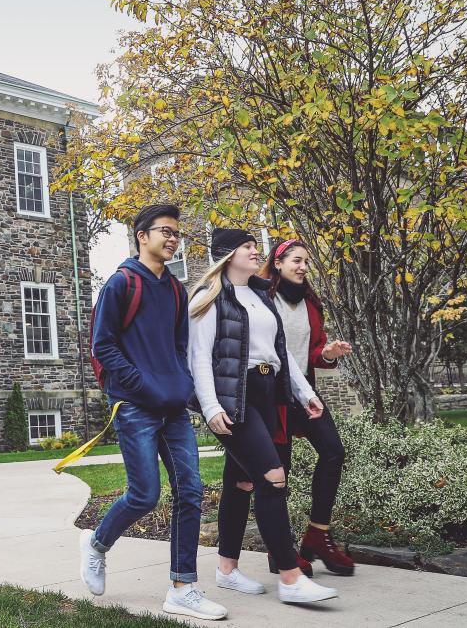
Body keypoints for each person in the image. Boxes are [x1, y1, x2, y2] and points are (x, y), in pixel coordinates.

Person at [81, 204, 228, 621]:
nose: (173, 238)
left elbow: (180, 347)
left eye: (176, 233)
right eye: (165, 231)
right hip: (135, 407)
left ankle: (183, 586)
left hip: (174, 407)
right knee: (144, 495)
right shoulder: (122, 284)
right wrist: (143, 384)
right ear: (141, 236)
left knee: (191, 492)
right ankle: (97, 545)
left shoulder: (177, 290)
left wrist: (180, 385)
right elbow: (102, 346)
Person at [188, 228, 338, 604]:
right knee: (273, 478)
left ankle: (226, 570)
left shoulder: (259, 295)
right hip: (235, 399)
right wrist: (210, 408)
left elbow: (281, 353)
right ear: (227, 255)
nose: (257, 253)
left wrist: (304, 394)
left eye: (256, 247)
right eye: (248, 248)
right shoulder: (210, 297)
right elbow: (199, 359)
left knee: (242, 483)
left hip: (269, 393)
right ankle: (290, 577)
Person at [259, 239, 355, 575]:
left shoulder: (311, 304)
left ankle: (318, 535)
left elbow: (312, 352)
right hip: (272, 395)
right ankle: (280, 551)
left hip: (305, 392)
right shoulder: (264, 299)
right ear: (278, 262)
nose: (302, 267)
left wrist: (328, 353)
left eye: (306, 262)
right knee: (278, 473)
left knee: (333, 451)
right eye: (296, 260)